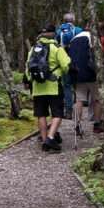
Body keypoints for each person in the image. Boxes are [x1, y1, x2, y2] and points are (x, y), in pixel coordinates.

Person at [26, 23, 71, 152]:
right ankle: (51, 138)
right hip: (53, 87)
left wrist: (31, 81)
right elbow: (66, 66)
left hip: (38, 88)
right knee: (57, 113)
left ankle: (45, 141)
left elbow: (27, 71)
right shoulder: (57, 48)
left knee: (41, 114)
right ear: (53, 34)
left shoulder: (33, 50)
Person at [67, 20, 103, 132]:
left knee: (79, 99)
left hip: (76, 73)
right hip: (91, 73)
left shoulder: (74, 39)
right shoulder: (93, 38)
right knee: (98, 99)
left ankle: (77, 126)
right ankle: (97, 125)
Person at [56, 13, 81, 118]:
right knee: (78, 86)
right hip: (77, 61)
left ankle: (68, 111)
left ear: (64, 21)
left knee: (66, 85)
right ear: (73, 21)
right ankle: (79, 110)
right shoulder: (79, 31)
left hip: (64, 62)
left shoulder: (58, 32)